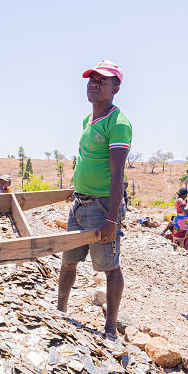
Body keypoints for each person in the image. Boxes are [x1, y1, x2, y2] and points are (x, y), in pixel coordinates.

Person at [57, 60, 131, 340]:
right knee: (68, 260)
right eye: (92, 79)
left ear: (116, 88)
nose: (95, 84)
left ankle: (110, 328)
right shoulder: (88, 120)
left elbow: (117, 176)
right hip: (80, 203)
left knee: (109, 267)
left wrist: (112, 219)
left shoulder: (119, 123)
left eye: (103, 80)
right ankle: (60, 311)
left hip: (102, 206)